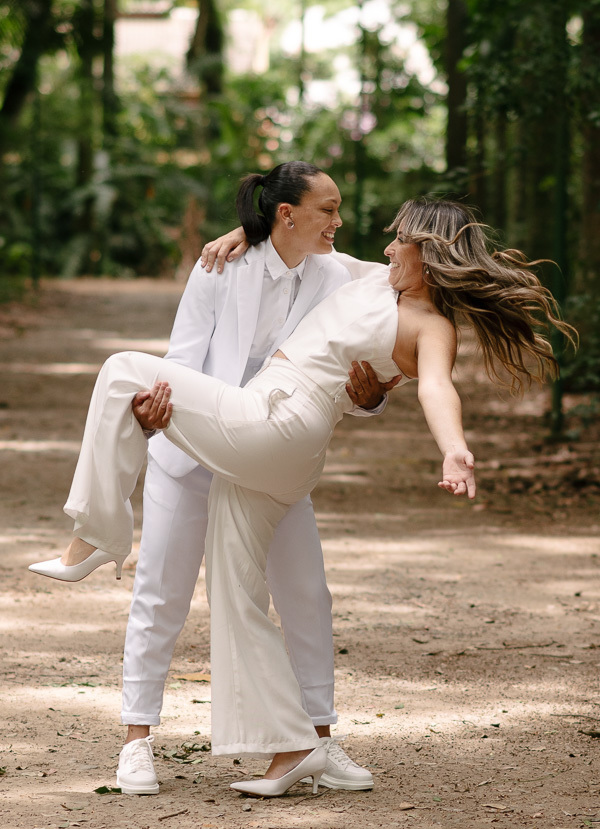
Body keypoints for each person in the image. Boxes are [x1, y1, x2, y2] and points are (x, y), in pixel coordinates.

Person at [29, 197, 575, 797]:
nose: (386, 247)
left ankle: (97, 534)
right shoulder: (362, 276)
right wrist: (249, 227)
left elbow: (437, 388)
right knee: (235, 594)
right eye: (385, 238)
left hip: (273, 421)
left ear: (431, 254)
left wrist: (453, 447)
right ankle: (291, 749)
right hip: (274, 449)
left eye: (400, 241)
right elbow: (304, 242)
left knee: (121, 369)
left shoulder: (432, 326)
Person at [115, 162, 398, 795]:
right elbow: (183, 360)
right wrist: (156, 411)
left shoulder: (337, 274)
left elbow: (362, 353)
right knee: (162, 592)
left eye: (340, 209)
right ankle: (137, 739)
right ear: (286, 215)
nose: (339, 221)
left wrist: (373, 394)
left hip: (273, 456)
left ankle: (319, 740)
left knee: (306, 595)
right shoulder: (221, 267)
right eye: (328, 209)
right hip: (195, 450)